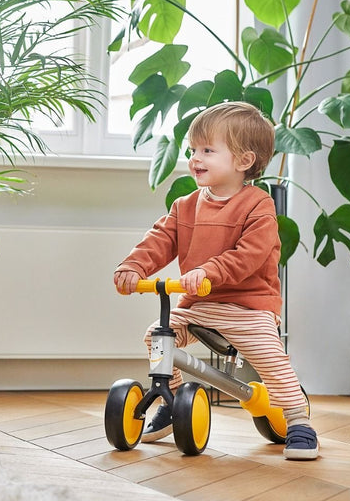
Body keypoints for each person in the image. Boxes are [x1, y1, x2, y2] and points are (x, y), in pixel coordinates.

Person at [112, 101, 318, 460]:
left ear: (243, 161)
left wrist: (208, 272)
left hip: (247, 306)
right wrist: (134, 267)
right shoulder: (186, 205)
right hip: (198, 306)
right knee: (158, 336)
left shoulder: (258, 205)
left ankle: (299, 421)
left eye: (208, 149)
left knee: (272, 359)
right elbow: (160, 239)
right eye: (193, 149)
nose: (195, 158)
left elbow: (250, 255)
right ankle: (170, 401)